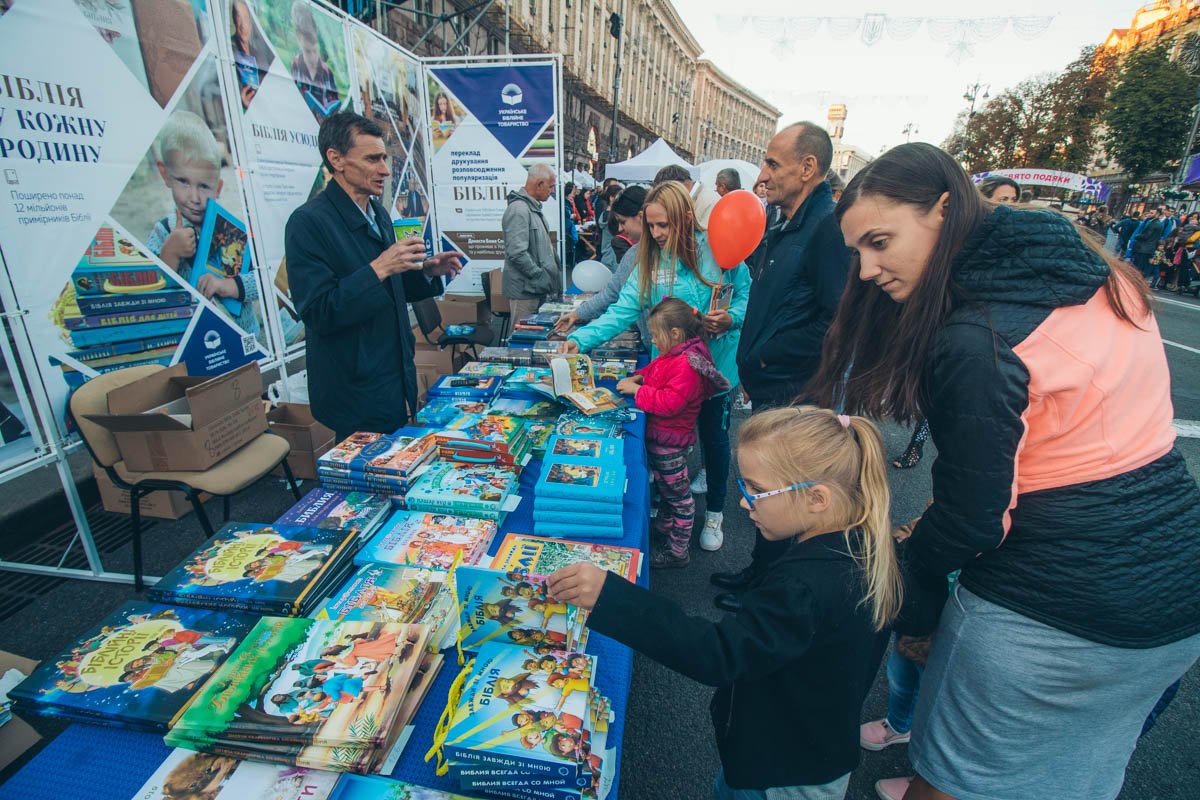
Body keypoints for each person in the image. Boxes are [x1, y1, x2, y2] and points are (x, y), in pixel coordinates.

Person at [807, 142, 1200, 800]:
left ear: (943, 208)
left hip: (1046, 612)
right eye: (857, 253)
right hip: (1175, 597)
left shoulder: (975, 339)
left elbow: (974, 520)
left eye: (880, 241)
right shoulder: (1108, 276)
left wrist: (909, 573)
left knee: (950, 784)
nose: (868, 269)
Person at [548, 406, 901, 800]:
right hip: (806, 746)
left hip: (778, 772)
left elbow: (721, 653)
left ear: (817, 498)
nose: (745, 504)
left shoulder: (802, 588)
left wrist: (613, 598)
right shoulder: (860, 542)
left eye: (755, 490)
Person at [565, 181, 750, 553]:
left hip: (715, 368)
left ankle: (714, 512)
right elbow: (622, 310)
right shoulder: (649, 260)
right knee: (672, 437)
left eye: (663, 225)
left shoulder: (717, 249)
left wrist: (731, 318)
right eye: (651, 226)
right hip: (670, 370)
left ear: (683, 218)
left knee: (714, 440)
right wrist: (581, 339)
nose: (657, 234)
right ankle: (674, 509)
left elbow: (745, 295)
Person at [714, 122, 850, 613]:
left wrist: (770, 353)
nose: (763, 175)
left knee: (784, 497)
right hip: (772, 384)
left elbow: (836, 321)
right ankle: (760, 575)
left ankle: (774, 598)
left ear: (807, 167)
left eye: (773, 163)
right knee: (767, 495)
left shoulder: (825, 230)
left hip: (795, 389)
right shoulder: (785, 223)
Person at [285, 112, 463, 440]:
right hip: (354, 383)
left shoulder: (377, 212)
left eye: (384, 157)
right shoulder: (307, 223)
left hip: (392, 371)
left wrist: (425, 271)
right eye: (372, 159)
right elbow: (319, 311)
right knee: (364, 480)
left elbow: (390, 285)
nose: (384, 169)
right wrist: (379, 267)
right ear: (336, 159)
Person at [615, 298, 730, 567]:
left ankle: (677, 551)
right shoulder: (676, 354)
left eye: (655, 335)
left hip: (670, 442)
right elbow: (657, 370)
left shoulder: (688, 364)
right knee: (668, 490)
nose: (653, 341)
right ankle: (666, 526)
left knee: (680, 499)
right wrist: (639, 377)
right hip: (665, 438)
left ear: (676, 334)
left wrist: (638, 391)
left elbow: (670, 402)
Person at [146, 110, 260, 337]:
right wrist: (170, 253)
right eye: (183, 182)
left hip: (246, 339)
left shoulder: (230, 230)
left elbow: (261, 280)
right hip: (196, 344)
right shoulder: (163, 232)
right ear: (165, 174)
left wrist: (228, 285)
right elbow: (152, 296)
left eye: (204, 186)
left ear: (218, 188)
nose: (195, 197)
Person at [554, 185, 648, 339]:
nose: (620, 228)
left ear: (640, 217)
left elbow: (619, 306)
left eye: (623, 222)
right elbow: (615, 297)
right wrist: (578, 317)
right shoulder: (634, 254)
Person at [502, 163, 561, 323]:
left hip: (533, 288)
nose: (552, 191)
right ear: (539, 184)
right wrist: (539, 275)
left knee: (531, 334)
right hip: (525, 291)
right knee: (522, 338)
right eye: (551, 186)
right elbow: (517, 252)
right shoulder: (519, 210)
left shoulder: (529, 208)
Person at [1128, 205, 1164, 282]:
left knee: (1139, 268)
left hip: (1144, 248)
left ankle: (1136, 282)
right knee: (1141, 268)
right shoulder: (1156, 223)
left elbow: (1146, 236)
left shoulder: (1154, 224)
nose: (1149, 214)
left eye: (1151, 213)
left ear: (1157, 214)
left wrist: (1137, 236)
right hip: (1147, 248)